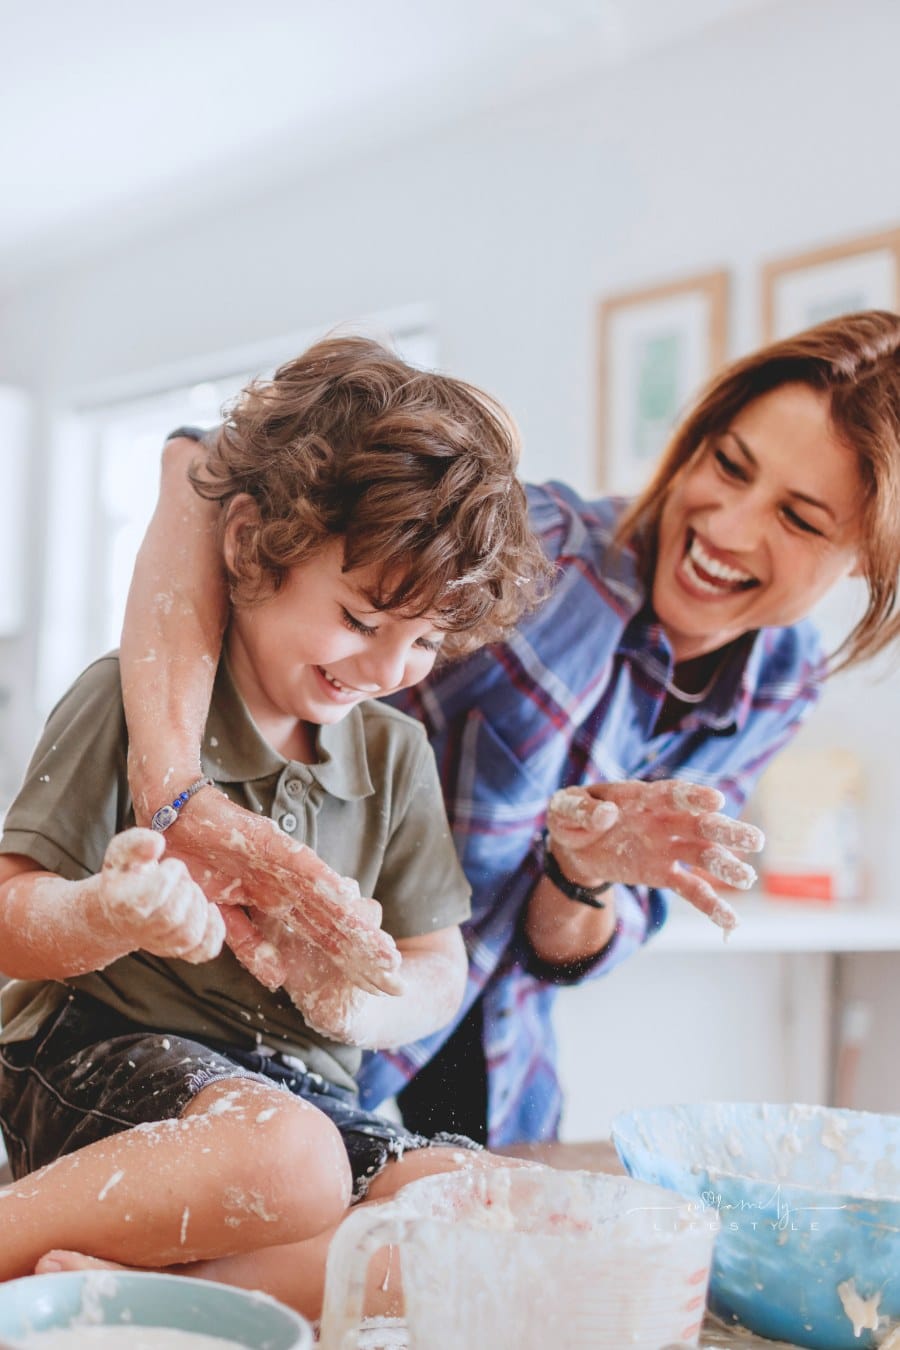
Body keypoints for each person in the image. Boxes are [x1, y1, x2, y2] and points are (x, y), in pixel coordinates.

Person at [120, 311, 900, 1150]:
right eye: (728, 466)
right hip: (272, 1011)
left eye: (800, 519)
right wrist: (174, 790)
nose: (729, 527)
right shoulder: (546, 544)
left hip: (487, 1047)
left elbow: (558, 951)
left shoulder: (781, 683)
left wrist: (583, 872)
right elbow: (199, 464)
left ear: (867, 554)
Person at [0, 336, 554, 1317]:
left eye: (425, 640)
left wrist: (360, 1007)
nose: (388, 668)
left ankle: (128, 1295)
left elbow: (440, 965)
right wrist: (108, 914)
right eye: (360, 616)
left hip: (293, 1083)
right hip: (99, 1053)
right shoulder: (134, 698)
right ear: (256, 545)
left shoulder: (394, 755)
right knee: (290, 1160)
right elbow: (10, 918)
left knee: (478, 1214)